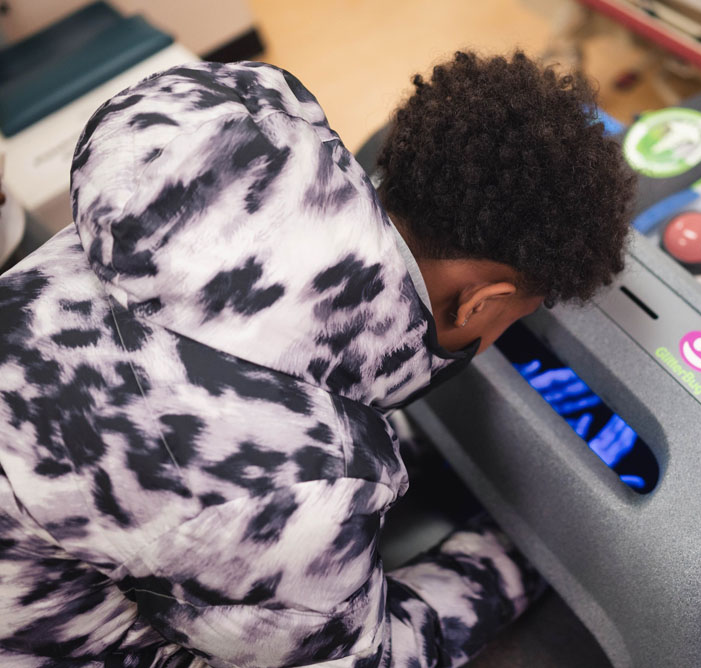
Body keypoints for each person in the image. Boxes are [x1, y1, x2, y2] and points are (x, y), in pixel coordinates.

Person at [0, 52, 634, 667]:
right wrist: (529, 548)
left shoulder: (216, 129)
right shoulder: (297, 489)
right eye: (510, 319)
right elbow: (365, 657)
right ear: (481, 302)